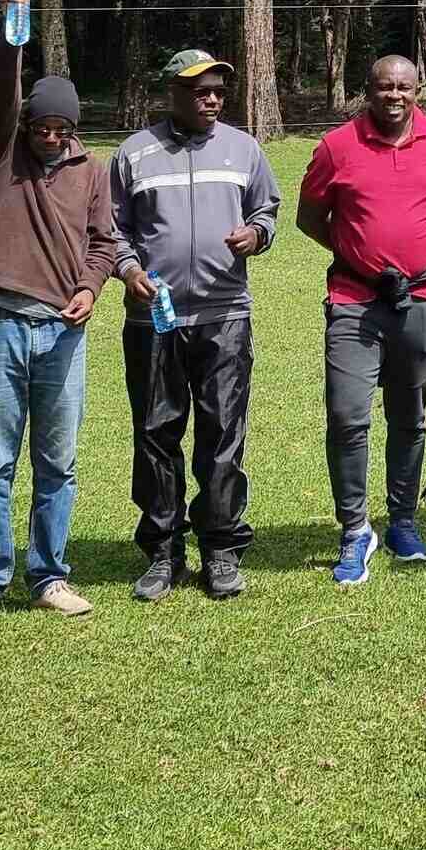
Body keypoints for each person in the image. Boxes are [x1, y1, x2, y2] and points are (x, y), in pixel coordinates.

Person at [0, 0, 122, 627]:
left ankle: (50, 575)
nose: (49, 135)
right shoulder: (2, 153)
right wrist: (10, 27)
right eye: (40, 124)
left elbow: (106, 242)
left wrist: (89, 287)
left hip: (62, 333)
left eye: (60, 126)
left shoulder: (91, 169)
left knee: (58, 462)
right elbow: (2, 91)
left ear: (72, 127)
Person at [111, 49, 281, 603]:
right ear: (172, 94)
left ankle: (221, 546)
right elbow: (113, 229)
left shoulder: (243, 149)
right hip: (152, 320)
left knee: (222, 433)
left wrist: (256, 235)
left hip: (224, 315)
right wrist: (129, 268)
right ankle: (163, 551)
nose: (211, 99)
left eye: (218, 92)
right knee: (157, 434)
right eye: (199, 91)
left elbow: (266, 212)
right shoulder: (134, 154)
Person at [297, 54, 426, 585]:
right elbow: (310, 217)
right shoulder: (337, 147)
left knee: (409, 417)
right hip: (354, 300)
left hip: (422, 299)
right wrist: (361, 258)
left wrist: (416, 259)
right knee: (348, 416)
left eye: (404, 87)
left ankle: (402, 520)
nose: (394, 96)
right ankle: (355, 529)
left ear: (418, 90)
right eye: (383, 87)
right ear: (368, 91)